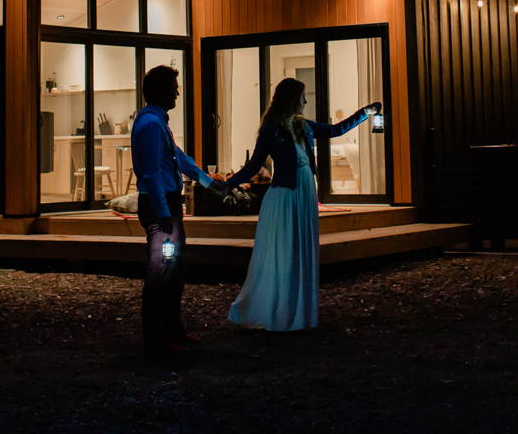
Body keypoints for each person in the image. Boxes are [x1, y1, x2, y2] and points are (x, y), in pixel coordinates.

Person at [222, 77, 380, 331]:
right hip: (284, 198)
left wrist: (364, 113)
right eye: (302, 97)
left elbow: (335, 130)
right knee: (285, 252)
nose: (306, 101)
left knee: (300, 250)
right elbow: (255, 165)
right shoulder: (271, 130)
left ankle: (299, 312)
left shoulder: (302, 125)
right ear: (290, 99)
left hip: (304, 195)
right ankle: (279, 310)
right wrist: (229, 183)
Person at [131, 64, 227, 356]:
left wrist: (209, 182)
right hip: (161, 206)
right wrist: (163, 215)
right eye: (174, 86)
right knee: (162, 270)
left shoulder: (156, 122)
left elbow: (178, 159)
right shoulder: (150, 124)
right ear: (161, 90)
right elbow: (151, 174)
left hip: (167, 205)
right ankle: (157, 340)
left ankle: (171, 330)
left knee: (174, 269)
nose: (177, 91)